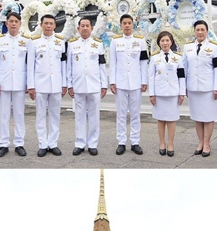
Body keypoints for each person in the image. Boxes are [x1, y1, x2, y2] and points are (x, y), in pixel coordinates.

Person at [66, 16, 108, 156]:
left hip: (94, 85)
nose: (84, 28)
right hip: (78, 86)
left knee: (94, 115)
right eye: (82, 26)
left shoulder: (98, 44)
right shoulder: (72, 44)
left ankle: (92, 144)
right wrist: (69, 85)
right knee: (79, 115)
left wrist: (104, 85)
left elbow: (102, 66)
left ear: (91, 28)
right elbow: (69, 67)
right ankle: (79, 143)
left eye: (87, 26)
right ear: (78, 29)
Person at [182, 20, 217, 156]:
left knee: (208, 116)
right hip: (193, 87)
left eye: (202, 30)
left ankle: (207, 143)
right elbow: (184, 68)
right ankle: (200, 142)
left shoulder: (214, 47)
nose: (200, 32)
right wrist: (184, 87)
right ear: (194, 31)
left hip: (208, 88)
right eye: (197, 30)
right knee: (197, 117)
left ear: (207, 31)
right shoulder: (187, 47)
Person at [0, 12, 29, 157]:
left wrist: (28, 83)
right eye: (11, 21)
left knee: (19, 114)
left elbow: (28, 64)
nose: (13, 24)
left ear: (20, 24)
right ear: (6, 24)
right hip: (4, 83)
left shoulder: (26, 41)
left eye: (16, 21)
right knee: (4, 115)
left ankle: (19, 143)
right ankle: (3, 144)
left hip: (20, 83)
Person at [28, 14, 67, 157]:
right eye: (46, 23)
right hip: (40, 84)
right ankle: (42, 144)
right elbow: (30, 65)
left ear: (55, 25)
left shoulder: (60, 42)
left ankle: (53, 143)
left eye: (51, 23)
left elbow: (63, 64)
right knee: (40, 115)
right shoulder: (34, 42)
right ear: (41, 25)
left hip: (56, 83)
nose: (49, 26)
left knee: (55, 115)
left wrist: (64, 84)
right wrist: (31, 86)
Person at [108, 14, 148, 155]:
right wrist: (112, 82)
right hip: (120, 82)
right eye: (124, 23)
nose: (126, 25)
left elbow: (143, 63)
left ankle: (135, 142)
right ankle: (121, 142)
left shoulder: (140, 41)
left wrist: (144, 81)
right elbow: (112, 63)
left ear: (132, 25)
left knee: (136, 113)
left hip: (136, 82)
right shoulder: (115, 41)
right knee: (121, 114)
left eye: (129, 23)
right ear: (121, 25)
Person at [147, 31, 185, 156]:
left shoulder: (178, 58)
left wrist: (181, 93)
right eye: (162, 41)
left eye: (167, 40)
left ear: (171, 42)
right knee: (161, 120)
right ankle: (162, 143)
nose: (165, 43)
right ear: (159, 43)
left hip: (173, 92)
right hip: (159, 93)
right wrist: (151, 94)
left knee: (172, 120)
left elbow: (181, 76)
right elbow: (151, 77)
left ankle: (170, 144)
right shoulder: (154, 58)